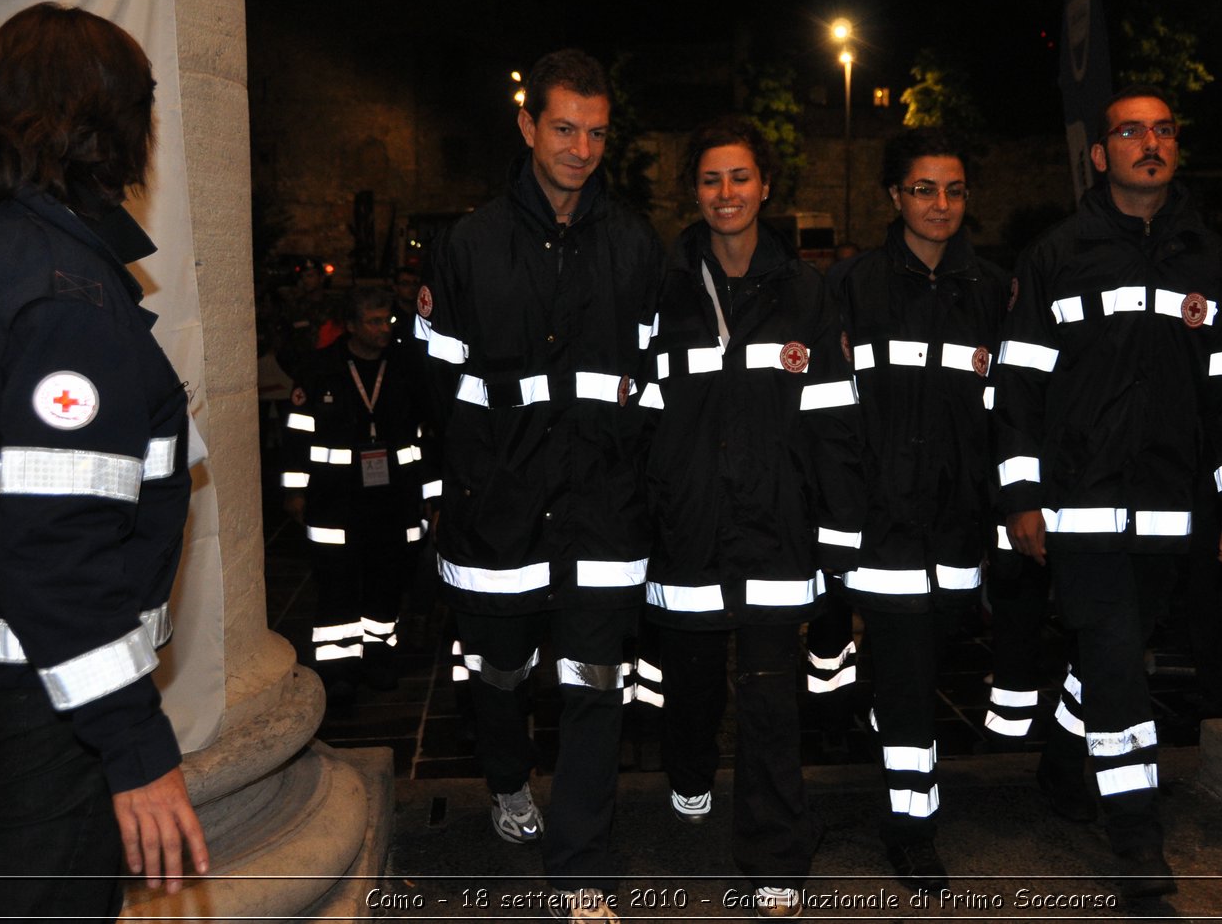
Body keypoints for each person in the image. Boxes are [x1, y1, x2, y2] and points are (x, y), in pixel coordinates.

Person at [0, 3, 208, 918]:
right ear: (109, 128)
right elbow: (57, 552)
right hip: (48, 690)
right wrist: (136, 749)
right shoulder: (63, 296)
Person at [994, 84, 1222, 897]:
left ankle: (1058, 767)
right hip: (1078, 510)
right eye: (1131, 131)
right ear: (1102, 152)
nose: (1150, 142)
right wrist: (1020, 496)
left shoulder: (1211, 259)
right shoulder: (1056, 255)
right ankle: (1137, 837)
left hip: (1170, 514)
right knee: (1120, 669)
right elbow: (1017, 390)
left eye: (1164, 130)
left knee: (1107, 661)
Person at [417, 49, 663, 922]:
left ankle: (580, 867)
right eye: (564, 128)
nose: (581, 148)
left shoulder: (635, 243)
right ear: (528, 127)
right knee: (498, 670)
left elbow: (652, 378)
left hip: (601, 510)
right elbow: (436, 384)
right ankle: (506, 777)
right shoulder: (469, 243)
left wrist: (632, 473)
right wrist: (458, 490)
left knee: (598, 684)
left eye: (597, 132)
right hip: (499, 513)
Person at [639, 117, 862, 919]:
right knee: (692, 682)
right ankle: (690, 775)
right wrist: (651, 508)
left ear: (765, 187)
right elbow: (643, 413)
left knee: (770, 694)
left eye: (740, 178)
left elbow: (835, 416)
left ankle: (775, 852)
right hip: (689, 527)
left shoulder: (808, 290)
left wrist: (836, 528)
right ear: (694, 193)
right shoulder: (664, 290)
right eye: (710, 180)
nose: (726, 194)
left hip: (777, 526)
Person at [827, 128, 1008, 891]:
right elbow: (832, 409)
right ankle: (911, 826)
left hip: (959, 521)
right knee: (908, 673)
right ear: (895, 196)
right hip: (883, 519)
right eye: (925, 188)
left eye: (955, 189)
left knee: (926, 659)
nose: (941, 204)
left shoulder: (994, 290)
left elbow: (1008, 411)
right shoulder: (852, 286)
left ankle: (879, 718)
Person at [283, 285, 431, 706]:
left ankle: (379, 659)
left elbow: (427, 434)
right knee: (337, 585)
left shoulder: (404, 368)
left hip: (394, 498)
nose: (384, 329)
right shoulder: (321, 370)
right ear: (351, 326)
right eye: (374, 321)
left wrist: (428, 494)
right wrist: (295, 491)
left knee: (387, 582)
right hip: (336, 499)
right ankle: (337, 670)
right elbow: (297, 434)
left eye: (388, 320)